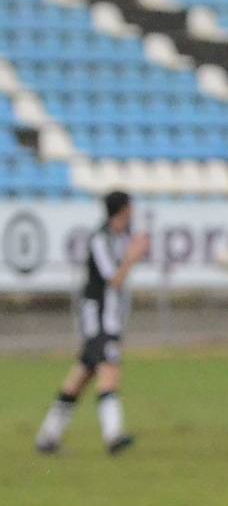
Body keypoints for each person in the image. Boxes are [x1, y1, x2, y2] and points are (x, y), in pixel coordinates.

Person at [35, 190, 149, 455]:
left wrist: (132, 253)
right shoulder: (100, 239)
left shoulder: (118, 238)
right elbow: (114, 279)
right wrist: (133, 257)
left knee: (82, 376)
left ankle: (48, 437)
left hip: (109, 319)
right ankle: (114, 436)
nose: (134, 211)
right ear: (122, 209)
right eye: (131, 206)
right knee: (109, 369)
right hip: (98, 318)